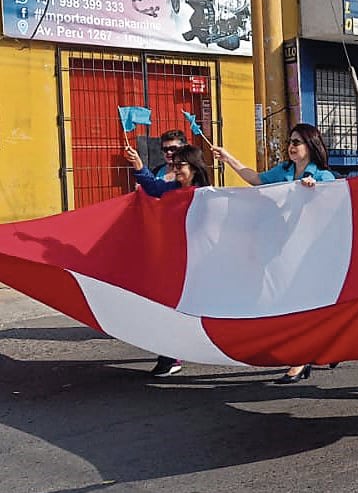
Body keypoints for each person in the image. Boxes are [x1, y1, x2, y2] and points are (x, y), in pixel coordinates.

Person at [213, 123, 338, 382]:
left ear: (311, 146)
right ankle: (307, 353)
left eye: (297, 142)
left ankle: (303, 358)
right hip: (282, 250)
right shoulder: (284, 171)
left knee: (307, 304)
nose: (291, 146)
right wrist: (229, 159)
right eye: (290, 141)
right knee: (288, 302)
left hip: (310, 253)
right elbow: (256, 179)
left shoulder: (324, 177)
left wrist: (317, 191)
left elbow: (334, 211)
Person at [122, 143, 212, 378]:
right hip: (173, 261)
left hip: (198, 263)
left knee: (194, 309)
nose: (175, 168)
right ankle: (170, 355)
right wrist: (138, 165)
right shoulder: (171, 189)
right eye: (173, 164)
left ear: (193, 166)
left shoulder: (208, 195)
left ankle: (187, 349)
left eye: (180, 164)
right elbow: (152, 187)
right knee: (168, 307)